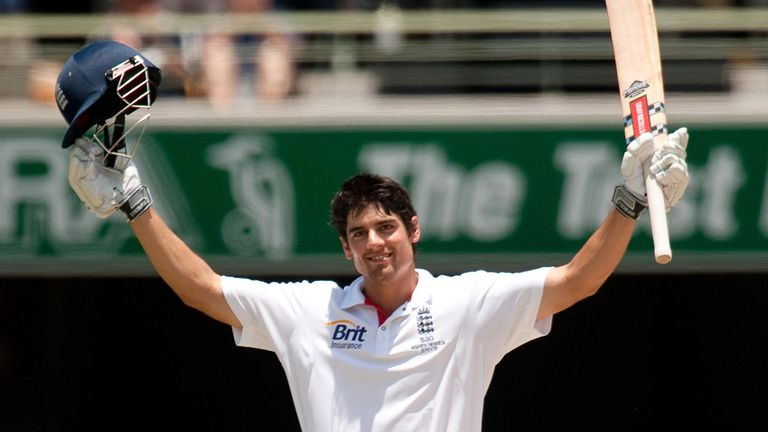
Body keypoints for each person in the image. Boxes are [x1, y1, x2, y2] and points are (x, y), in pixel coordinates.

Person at [58, 40, 689, 432]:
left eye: (386, 227)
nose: (375, 242)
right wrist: (137, 204)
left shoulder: (466, 305)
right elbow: (200, 288)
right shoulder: (312, 311)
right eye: (359, 233)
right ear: (346, 249)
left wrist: (629, 200)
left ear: (415, 230)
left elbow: (577, 282)